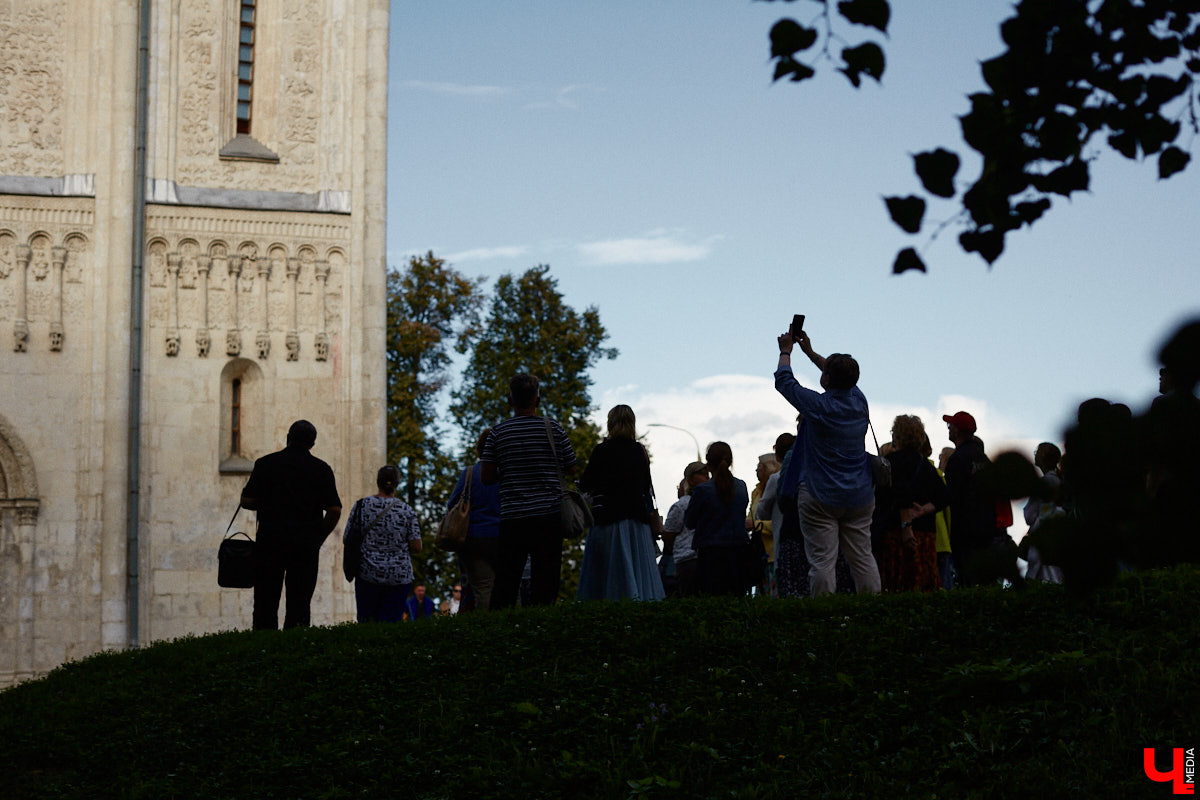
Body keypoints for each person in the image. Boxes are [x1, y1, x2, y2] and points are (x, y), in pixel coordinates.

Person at [775, 325, 881, 596]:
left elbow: (785, 383)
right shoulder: (859, 401)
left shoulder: (820, 407)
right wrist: (809, 352)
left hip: (819, 493)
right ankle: (874, 610)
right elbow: (838, 376)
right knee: (862, 557)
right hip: (859, 494)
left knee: (822, 562)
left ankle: (824, 616)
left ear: (826, 379)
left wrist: (786, 352)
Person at [481, 374, 578, 608]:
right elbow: (572, 469)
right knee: (546, 578)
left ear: (510, 400)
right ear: (538, 400)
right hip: (548, 515)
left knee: (507, 579)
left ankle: (499, 628)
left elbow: (486, 477)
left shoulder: (497, 433)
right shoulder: (553, 428)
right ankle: (541, 626)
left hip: (513, 516)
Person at [240, 419, 342, 630]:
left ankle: (263, 650)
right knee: (299, 604)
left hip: (270, 541)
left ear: (287, 438)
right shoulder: (321, 469)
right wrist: (318, 537)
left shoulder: (265, 463)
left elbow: (246, 501)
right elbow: (334, 510)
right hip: (305, 545)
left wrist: (269, 502)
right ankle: (295, 652)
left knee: (265, 603)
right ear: (312, 444)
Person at [576, 405, 666, 601]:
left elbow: (586, 484)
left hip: (607, 519)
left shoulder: (602, 450)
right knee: (637, 570)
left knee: (607, 574)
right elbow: (645, 487)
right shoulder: (639, 451)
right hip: (636, 521)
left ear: (610, 423)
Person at [872, 416, 948, 592]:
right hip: (925, 535)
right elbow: (945, 496)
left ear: (896, 436)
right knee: (924, 585)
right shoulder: (926, 465)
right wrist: (924, 509)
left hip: (894, 532)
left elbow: (897, 492)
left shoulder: (890, 462)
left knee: (895, 584)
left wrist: (906, 524)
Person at [342, 465, 422, 623]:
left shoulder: (361, 506)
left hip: (368, 575)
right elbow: (416, 547)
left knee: (367, 623)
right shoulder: (406, 511)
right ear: (397, 484)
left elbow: (347, 539)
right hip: (398, 577)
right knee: (391, 625)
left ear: (377, 482)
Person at [445, 428, 502, 612]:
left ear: (479, 449)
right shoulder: (506, 474)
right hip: (503, 537)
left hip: (473, 539)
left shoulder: (469, 474)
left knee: (483, 590)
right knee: (508, 587)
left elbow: (452, 504)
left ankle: (484, 631)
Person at [685, 441, 751, 596]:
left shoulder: (702, 490)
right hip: (739, 552)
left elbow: (690, 522)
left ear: (708, 464)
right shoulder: (741, 487)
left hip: (711, 554)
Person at [942, 411, 997, 587]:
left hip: (964, 532)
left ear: (957, 431)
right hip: (987, 528)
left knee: (967, 581)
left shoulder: (957, 459)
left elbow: (952, 497)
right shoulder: (984, 459)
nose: (949, 429)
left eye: (950, 426)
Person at [661, 462, 710, 597]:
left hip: (686, 560)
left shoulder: (681, 505)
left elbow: (669, 534)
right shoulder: (711, 501)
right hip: (707, 557)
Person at [747, 452, 780, 596]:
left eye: (759, 466)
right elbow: (751, 516)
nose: (756, 470)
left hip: (773, 553)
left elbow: (778, 523)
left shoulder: (778, 488)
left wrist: (756, 525)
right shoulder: (755, 492)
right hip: (759, 554)